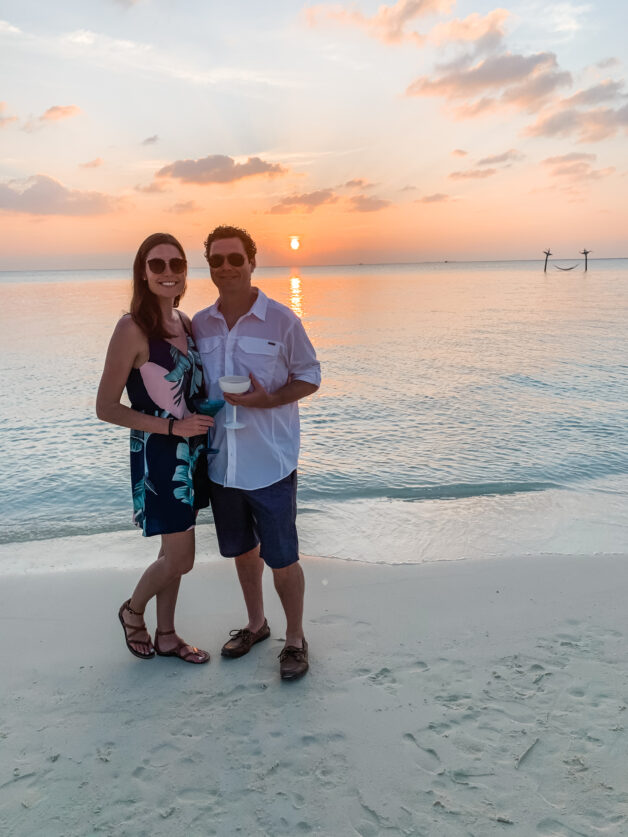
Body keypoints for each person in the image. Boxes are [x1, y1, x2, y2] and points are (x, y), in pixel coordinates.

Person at [192, 225, 320, 681]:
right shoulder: (199, 323)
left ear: (251, 261)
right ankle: (256, 625)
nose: (225, 267)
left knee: (283, 559)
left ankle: (296, 639)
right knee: (243, 553)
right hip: (221, 464)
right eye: (216, 260)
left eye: (234, 258)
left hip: (270, 463)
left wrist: (267, 399)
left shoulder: (283, 320)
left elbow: (310, 377)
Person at [96, 232, 213, 664]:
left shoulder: (186, 323)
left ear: (185, 274)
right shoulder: (131, 328)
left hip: (193, 452)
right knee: (181, 559)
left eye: (176, 264)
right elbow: (106, 407)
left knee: (171, 551)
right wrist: (171, 428)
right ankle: (133, 611)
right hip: (162, 455)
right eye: (157, 264)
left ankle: (167, 635)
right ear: (143, 274)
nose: (168, 272)